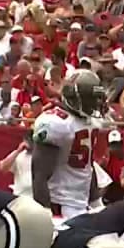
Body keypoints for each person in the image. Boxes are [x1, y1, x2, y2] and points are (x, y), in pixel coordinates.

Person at [32, 69, 103, 219]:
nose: (95, 103)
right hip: (60, 205)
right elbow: (39, 175)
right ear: (73, 97)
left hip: (82, 205)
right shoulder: (55, 122)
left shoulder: (91, 122)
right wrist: (45, 214)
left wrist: (96, 203)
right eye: (90, 98)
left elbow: (88, 166)